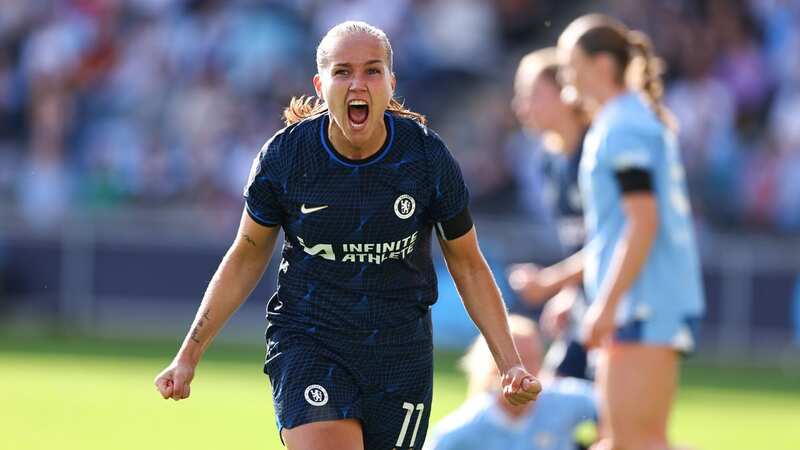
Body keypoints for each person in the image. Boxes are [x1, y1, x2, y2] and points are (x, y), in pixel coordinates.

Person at [153, 21, 540, 450]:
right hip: (310, 340)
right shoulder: (285, 157)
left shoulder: (426, 158)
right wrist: (188, 354)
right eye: (343, 72)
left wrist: (509, 365)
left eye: (373, 71)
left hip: (399, 353)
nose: (358, 82)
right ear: (320, 85)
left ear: (391, 84)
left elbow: (467, 263)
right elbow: (245, 256)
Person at [555, 14, 706, 450]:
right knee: (627, 440)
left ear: (601, 65)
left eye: (570, 63)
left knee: (635, 441)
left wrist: (605, 303)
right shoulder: (628, 120)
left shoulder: (622, 125)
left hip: (642, 306)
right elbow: (622, 227)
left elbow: (643, 220)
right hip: (645, 303)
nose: (566, 75)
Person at [506, 47, 592, 380]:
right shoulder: (549, 161)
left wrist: (549, 283)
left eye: (530, 95)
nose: (520, 107)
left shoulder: (597, 152)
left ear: (566, 93)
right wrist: (571, 294)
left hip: (624, 311)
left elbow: (613, 242)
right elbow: (582, 240)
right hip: (590, 305)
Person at [424, 314, 596, 450]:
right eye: (520, 363)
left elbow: (613, 404)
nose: (528, 372)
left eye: (534, 360)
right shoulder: (462, 431)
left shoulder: (561, 400)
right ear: (492, 368)